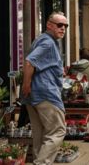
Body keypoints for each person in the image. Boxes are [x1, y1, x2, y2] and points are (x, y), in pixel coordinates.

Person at [22, 12, 68, 164]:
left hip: (35, 95)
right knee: (58, 130)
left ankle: (39, 160)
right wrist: (26, 85)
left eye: (65, 26)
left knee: (40, 134)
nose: (63, 29)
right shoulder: (48, 43)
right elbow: (29, 62)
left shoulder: (44, 40)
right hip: (46, 93)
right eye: (59, 25)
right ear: (49, 25)